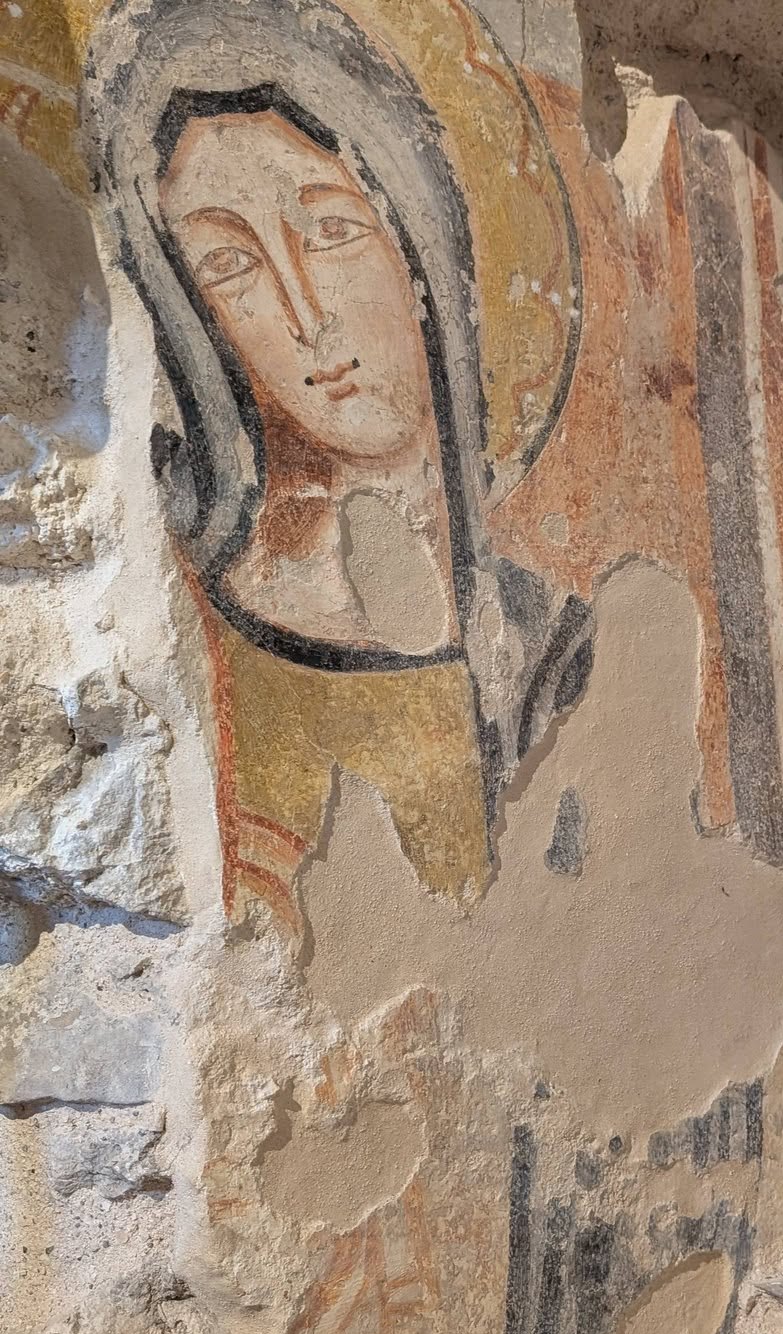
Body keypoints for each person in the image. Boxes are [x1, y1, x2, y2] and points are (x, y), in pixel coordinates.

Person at [87, 0, 590, 920]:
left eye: (330, 231)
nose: (305, 315)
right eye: (230, 265)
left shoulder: (554, 653)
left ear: (421, 244)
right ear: (194, 320)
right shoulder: (183, 636)